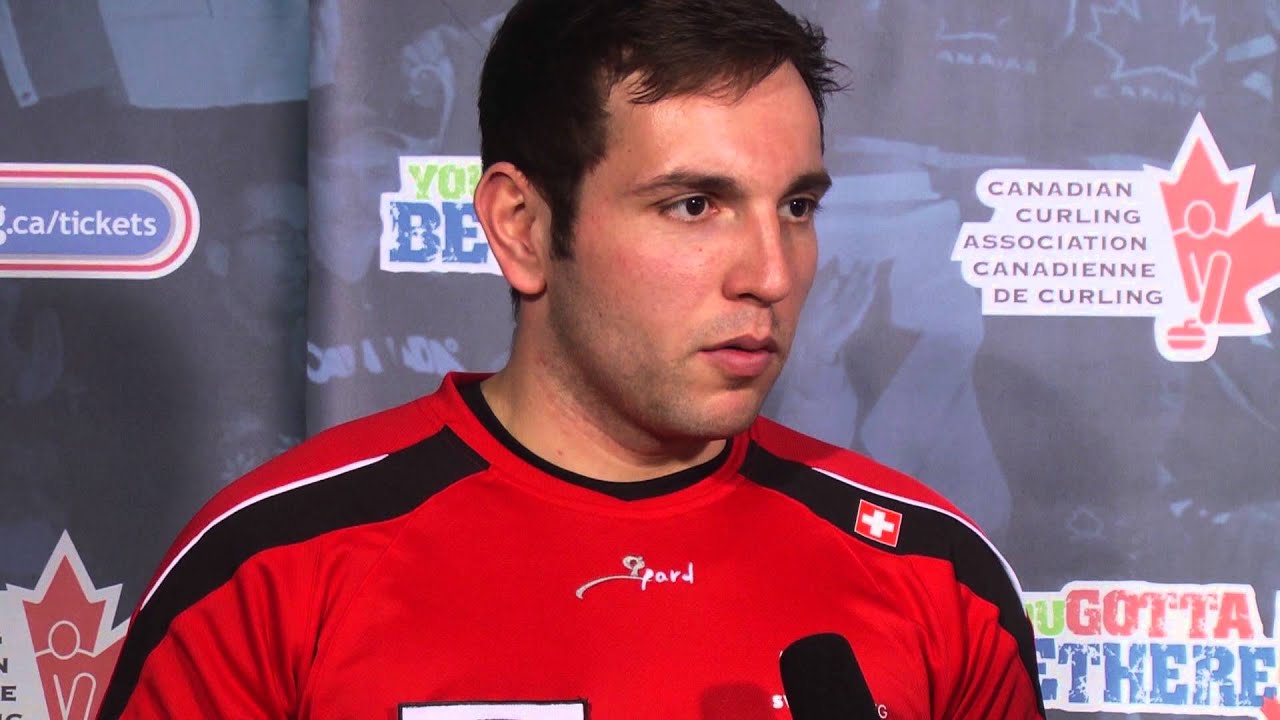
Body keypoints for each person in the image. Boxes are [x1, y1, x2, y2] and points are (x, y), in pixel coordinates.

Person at [98, 0, 1044, 717]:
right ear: (522, 226)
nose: (770, 272)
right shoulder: (269, 574)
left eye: (796, 206)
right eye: (694, 205)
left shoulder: (935, 575)